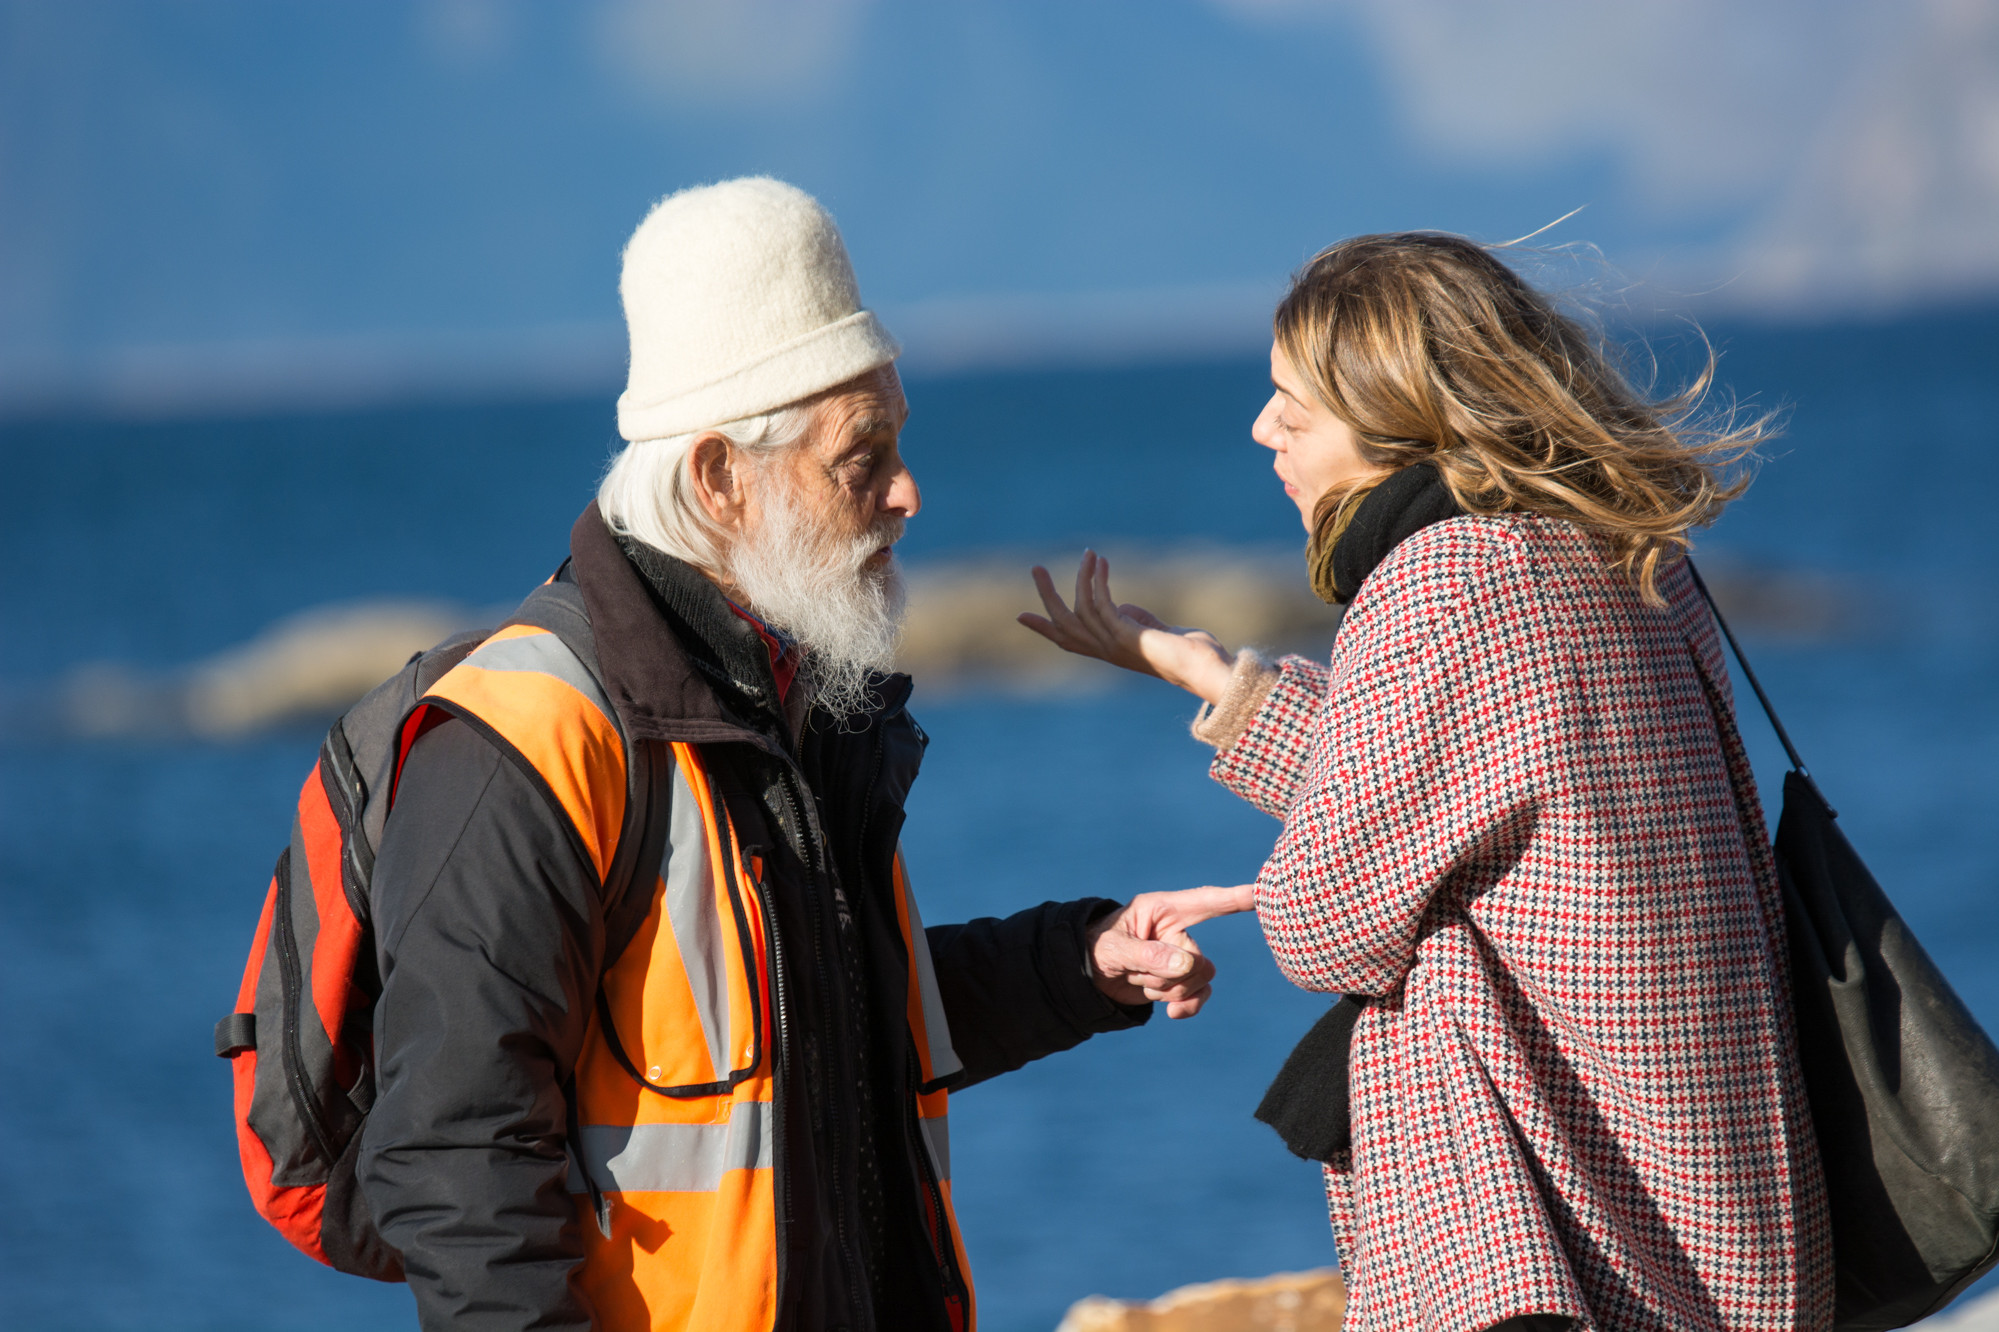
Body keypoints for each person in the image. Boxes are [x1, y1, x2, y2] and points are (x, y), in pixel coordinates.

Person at [358, 177, 1218, 1332]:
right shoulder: (524, 739)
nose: (908, 494)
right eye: (862, 459)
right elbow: (454, 1163)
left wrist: (1082, 961)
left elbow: (840, 1021)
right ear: (718, 478)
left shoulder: (793, 692)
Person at [1022, 234, 1833, 1332]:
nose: (1263, 430)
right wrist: (1202, 670)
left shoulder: (1440, 579)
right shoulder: (1616, 548)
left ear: (1394, 420)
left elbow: (1327, 928)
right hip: (1707, 1193)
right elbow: (1459, 775)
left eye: (1291, 412)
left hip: (1564, 1239)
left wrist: (1270, 890)